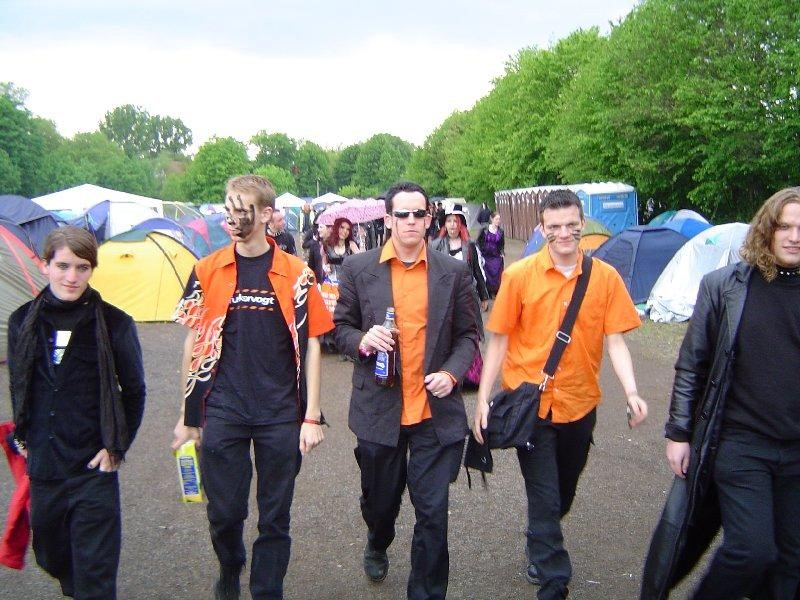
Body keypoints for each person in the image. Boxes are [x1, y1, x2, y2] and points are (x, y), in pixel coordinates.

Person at [472, 189, 648, 600]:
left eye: (571, 225)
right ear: (542, 228)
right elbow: (499, 340)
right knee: (545, 497)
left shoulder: (605, 278)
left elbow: (616, 341)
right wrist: (482, 398)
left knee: (563, 491)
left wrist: (632, 392)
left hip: (580, 404)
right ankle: (554, 581)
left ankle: (540, 535)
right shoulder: (520, 276)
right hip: (531, 406)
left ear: (582, 223)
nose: (564, 233)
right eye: (554, 227)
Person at [171, 174, 333, 600]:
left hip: (280, 411)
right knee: (224, 512)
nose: (232, 217)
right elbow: (193, 341)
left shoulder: (297, 274)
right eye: (228, 208)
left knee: (275, 517)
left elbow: (313, 344)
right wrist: (187, 416)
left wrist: (311, 416)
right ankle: (230, 564)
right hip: (224, 407)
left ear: (266, 215)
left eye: (241, 209)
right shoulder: (206, 270)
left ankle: (266, 590)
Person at [641, 187, 800, 599]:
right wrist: (679, 433)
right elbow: (692, 363)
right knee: (751, 551)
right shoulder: (725, 287)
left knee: (791, 560)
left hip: (796, 450)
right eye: (784, 226)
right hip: (740, 443)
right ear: (766, 229)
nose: (794, 237)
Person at [334, 181, 478, 599]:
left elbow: (469, 335)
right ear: (388, 219)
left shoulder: (452, 272)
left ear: (429, 219)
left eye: (419, 214)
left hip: (434, 414)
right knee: (381, 504)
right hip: (379, 411)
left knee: (433, 515)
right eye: (403, 214)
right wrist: (363, 340)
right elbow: (339, 328)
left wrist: (452, 373)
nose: (411, 221)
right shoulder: (358, 268)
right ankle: (378, 539)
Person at [7, 226, 146, 599]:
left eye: (82, 268)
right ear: (45, 265)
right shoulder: (22, 321)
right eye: (63, 266)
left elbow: (134, 392)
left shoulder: (115, 323)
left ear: (92, 269)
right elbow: (19, 382)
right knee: (50, 554)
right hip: (45, 465)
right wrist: (23, 431)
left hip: (92, 468)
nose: (72, 277)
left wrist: (116, 446)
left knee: (95, 576)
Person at [476, 211, 505, 298]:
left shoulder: (501, 231)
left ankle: (496, 290)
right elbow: (478, 241)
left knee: (496, 272)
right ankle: (488, 291)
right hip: (485, 254)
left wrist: (502, 252)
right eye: (496, 219)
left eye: (499, 219)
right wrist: (478, 251)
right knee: (486, 272)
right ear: (491, 219)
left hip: (495, 254)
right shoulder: (484, 229)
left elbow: (502, 244)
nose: (498, 221)